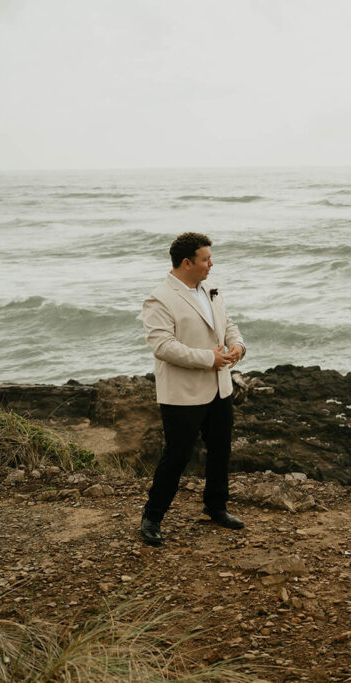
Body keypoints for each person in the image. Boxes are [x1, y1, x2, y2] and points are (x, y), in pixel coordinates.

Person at [138, 232, 247, 546]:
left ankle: (216, 507)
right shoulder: (159, 298)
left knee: (220, 451)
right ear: (187, 263)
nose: (211, 264)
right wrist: (208, 359)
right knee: (177, 456)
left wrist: (238, 346)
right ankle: (152, 517)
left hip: (219, 388)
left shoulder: (210, 289)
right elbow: (163, 346)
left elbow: (227, 325)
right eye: (205, 259)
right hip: (183, 393)